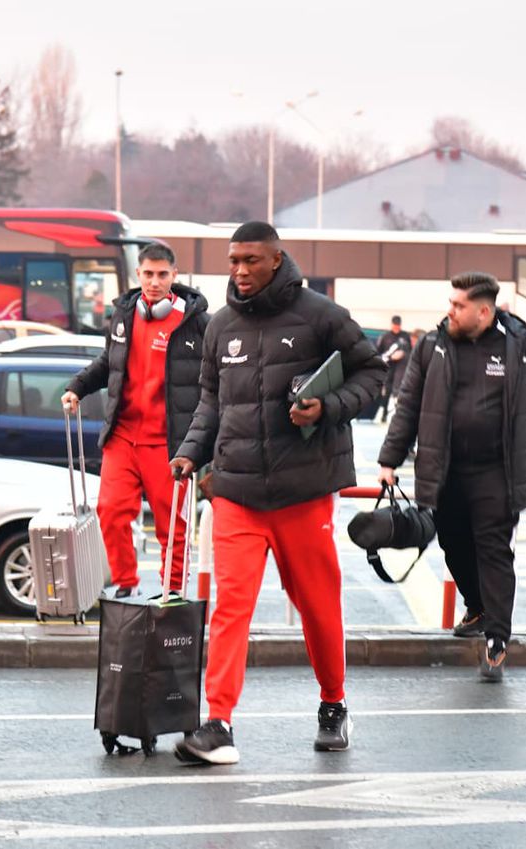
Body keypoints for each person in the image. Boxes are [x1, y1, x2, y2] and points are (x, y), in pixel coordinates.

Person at [169, 221, 386, 764]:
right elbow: (212, 404)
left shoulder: (321, 315)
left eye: (250, 261)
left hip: (304, 491)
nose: (240, 271)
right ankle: (218, 723)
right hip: (236, 492)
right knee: (230, 609)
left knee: (317, 606)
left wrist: (327, 407)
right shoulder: (219, 327)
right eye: (233, 261)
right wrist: (190, 452)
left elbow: (372, 374)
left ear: (276, 259)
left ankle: (333, 704)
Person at [377, 272, 526, 682]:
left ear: (484, 310)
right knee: (453, 545)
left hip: (498, 471)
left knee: (494, 550)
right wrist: (389, 459)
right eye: (451, 302)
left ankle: (497, 639)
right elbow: (408, 405)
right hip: (444, 470)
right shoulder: (432, 345)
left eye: (458, 305)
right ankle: (478, 605)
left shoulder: (521, 345)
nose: (450, 311)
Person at [60, 242, 209, 597]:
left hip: (169, 444)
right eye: (147, 274)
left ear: (174, 276)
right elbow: (107, 362)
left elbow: (216, 382)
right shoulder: (125, 315)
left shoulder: (197, 323)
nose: (154, 282)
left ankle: (172, 592)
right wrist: (77, 388)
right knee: (109, 512)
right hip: (123, 438)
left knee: (172, 525)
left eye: (162, 274)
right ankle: (126, 585)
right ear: (137, 274)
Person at [374, 316, 412, 422]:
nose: (397, 328)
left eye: (398, 326)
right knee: (387, 391)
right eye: (395, 326)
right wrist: (390, 357)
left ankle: (399, 416)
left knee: (399, 392)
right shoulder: (385, 337)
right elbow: (379, 353)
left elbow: (410, 351)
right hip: (389, 367)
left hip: (401, 368)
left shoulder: (405, 336)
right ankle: (384, 414)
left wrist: (402, 355)